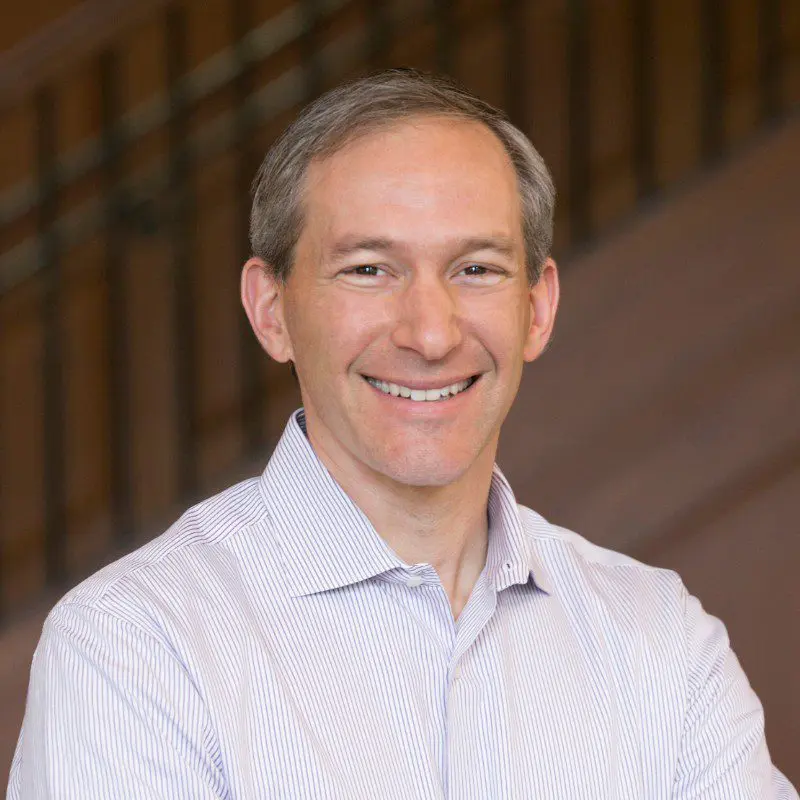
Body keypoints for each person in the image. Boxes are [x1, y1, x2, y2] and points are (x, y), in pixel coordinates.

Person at [7, 68, 796, 799]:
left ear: (538, 306)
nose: (429, 332)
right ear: (271, 310)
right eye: (369, 270)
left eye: (476, 269)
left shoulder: (660, 641)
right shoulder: (135, 647)